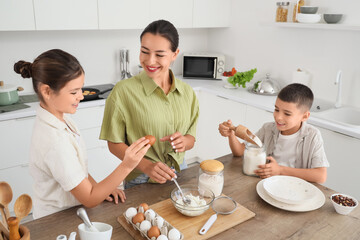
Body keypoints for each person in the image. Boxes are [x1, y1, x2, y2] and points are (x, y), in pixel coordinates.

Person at [14, 49, 151, 219]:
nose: (80, 96)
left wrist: (103, 188)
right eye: (73, 92)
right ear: (47, 91)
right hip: (56, 221)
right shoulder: (54, 142)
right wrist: (128, 165)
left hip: (74, 211)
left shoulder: (61, 118)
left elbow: (77, 170)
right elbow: (90, 199)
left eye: (81, 89)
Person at [100, 20, 199, 188]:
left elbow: (191, 137)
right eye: (144, 51)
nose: (150, 61)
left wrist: (184, 142)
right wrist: (146, 166)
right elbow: (114, 144)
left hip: (179, 171)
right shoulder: (123, 91)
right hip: (140, 178)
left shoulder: (187, 93)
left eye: (159, 55)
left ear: (175, 54)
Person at [218, 83, 329, 183]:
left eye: (287, 114)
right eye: (276, 110)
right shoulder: (268, 129)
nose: (278, 117)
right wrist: (231, 135)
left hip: (295, 188)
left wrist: (280, 170)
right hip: (266, 184)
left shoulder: (312, 136)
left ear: (305, 116)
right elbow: (240, 152)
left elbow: (320, 176)